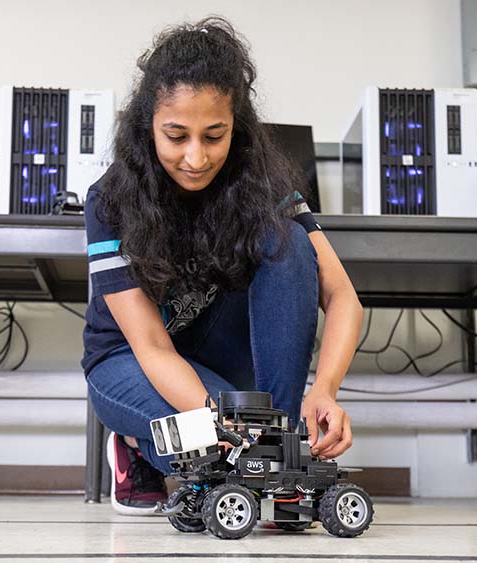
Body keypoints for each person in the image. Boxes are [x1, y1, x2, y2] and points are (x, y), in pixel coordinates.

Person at [82, 16, 364, 516]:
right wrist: (218, 421)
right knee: (210, 453)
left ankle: (278, 441)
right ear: (148, 126)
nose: (196, 157)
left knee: (291, 243)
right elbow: (150, 345)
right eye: (176, 135)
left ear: (237, 125)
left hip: (220, 362)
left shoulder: (263, 183)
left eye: (215, 136)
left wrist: (323, 391)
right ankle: (133, 445)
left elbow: (342, 297)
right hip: (132, 362)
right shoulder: (110, 201)